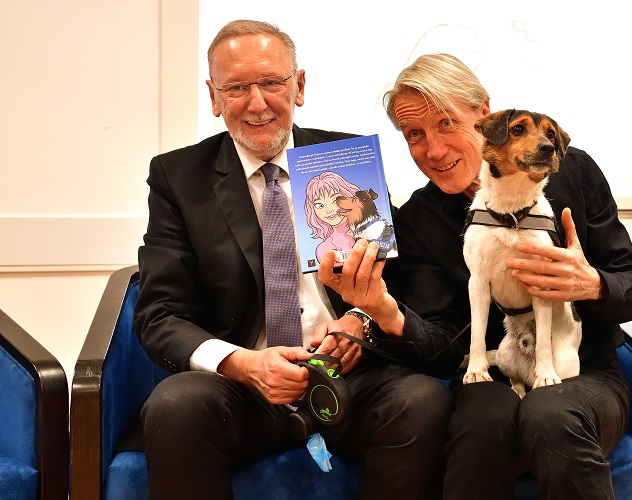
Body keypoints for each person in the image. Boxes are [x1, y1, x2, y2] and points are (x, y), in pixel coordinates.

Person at [133, 20, 451, 500]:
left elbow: (400, 286)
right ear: (214, 97)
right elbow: (160, 314)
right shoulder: (179, 177)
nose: (256, 102)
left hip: (349, 378)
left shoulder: (348, 161)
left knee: (423, 401)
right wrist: (241, 363)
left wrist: (361, 324)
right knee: (175, 405)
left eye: (271, 82)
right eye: (236, 88)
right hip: (243, 387)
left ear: (299, 86)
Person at [318, 53, 632, 499]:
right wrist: (385, 313)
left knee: (551, 418)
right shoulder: (418, 219)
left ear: (484, 115)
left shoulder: (574, 172)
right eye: (415, 134)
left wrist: (593, 285)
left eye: (447, 123)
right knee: (480, 427)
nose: (434, 150)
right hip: (490, 371)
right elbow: (443, 346)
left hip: (583, 370)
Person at [304, 171, 358, 265]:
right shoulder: (325, 249)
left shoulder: (373, 227)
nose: (329, 210)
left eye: (336, 200)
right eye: (320, 205)